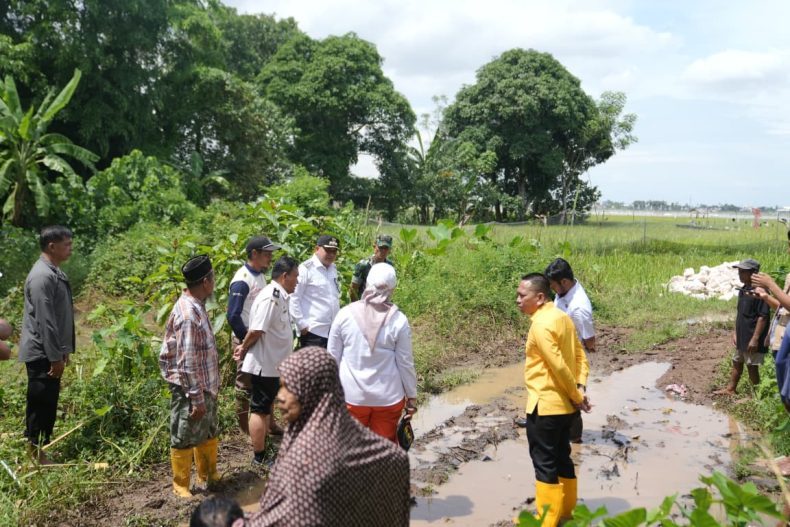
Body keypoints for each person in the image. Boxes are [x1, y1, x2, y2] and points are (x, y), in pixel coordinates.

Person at [248, 346, 410, 526]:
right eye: (281, 387)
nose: (280, 396)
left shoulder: (304, 460)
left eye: (288, 387)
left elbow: (281, 520)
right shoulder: (389, 455)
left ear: (312, 391)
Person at [516, 273, 590, 527]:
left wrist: (577, 395)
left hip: (545, 406)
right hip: (566, 409)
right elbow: (581, 356)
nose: (517, 300)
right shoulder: (562, 317)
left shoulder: (540, 325)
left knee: (544, 463)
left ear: (539, 297)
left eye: (522, 295)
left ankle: (546, 521)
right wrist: (579, 389)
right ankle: (567, 513)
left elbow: (558, 366)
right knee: (562, 457)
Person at [328, 263, 418, 443]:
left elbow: (331, 358)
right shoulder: (398, 320)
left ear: (367, 283)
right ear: (392, 288)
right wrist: (412, 397)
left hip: (351, 398)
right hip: (388, 399)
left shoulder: (344, 315)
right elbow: (405, 363)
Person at [159, 255, 221, 497]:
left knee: (207, 429)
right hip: (190, 386)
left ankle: (207, 474)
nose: (214, 282)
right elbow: (186, 363)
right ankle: (181, 484)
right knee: (184, 432)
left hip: (205, 383)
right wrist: (196, 397)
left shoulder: (197, 305)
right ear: (206, 282)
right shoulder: (188, 315)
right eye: (213, 278)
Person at [234, 256, 299, 466]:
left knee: (265, 406)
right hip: (265, 364)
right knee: (260, 409)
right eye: (295, 276)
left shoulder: (280, 296)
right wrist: (243, 348)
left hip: (273, 364)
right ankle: (259, 456)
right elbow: (257, 329)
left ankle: (262, 450)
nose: (297, 281)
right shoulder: (271, 296)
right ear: (284, 276)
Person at [18, 225, 76, 464]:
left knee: (48, 402)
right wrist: (54, 356)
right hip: (42, 353)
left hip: (50, 352)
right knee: (40, 402)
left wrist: (63, 351)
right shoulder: (42, 276)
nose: (70, 249)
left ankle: (39, 453)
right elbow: (46, 321)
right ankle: (34, 456)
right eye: (67, 245)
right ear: (52, 246)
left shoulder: (53, 271)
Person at [528, 258, 595, 444]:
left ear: (564, 282)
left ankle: (575, 438)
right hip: (558, 344)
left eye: (553, 285)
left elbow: (589, 340)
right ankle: (542, 420)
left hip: (571, 354)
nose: (551, 290)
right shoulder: (564, 292)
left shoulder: (579, 307)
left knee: (573, 397)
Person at [227, 236, 281, 435]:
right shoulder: (242, 280)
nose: (270, 258)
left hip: (257, 338)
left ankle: (269, 425)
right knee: (244, 385)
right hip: (247, 339)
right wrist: (245, 341)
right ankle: (244, 430)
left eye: (271, 254)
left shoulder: (259, 275)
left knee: (266, 381)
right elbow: (233, 315)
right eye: (266, 254)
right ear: (254, 254)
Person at [713, 259, 770, 396]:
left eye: (743, 272)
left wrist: (755, 338)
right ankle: (731, 389)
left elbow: (763, 316)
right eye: (739, 271)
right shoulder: (743, 290)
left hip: (752, 336)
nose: (740, 274)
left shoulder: (760, 292)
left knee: (751, 366)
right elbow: (740, 314)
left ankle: (756, 396)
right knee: (737, 361)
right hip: (742, 334)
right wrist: (735, 332)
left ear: (753, 274)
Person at [290, 235, 341, 349]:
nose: (331, 255)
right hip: (313, 332)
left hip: (331, 331)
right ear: (317, 249)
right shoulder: (306, 269)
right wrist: (301, 325)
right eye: (328, 250)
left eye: (334, 251)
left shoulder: (333, 268)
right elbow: (294, 298)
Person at [349, 234, 394, 301]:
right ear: (374, 246)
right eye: (381, 247)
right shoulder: (363, 265)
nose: (383, 251)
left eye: (386, 248)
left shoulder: (389, 266)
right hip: (364, 304)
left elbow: (390, 289)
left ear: (389, 250)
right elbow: (353, 289)